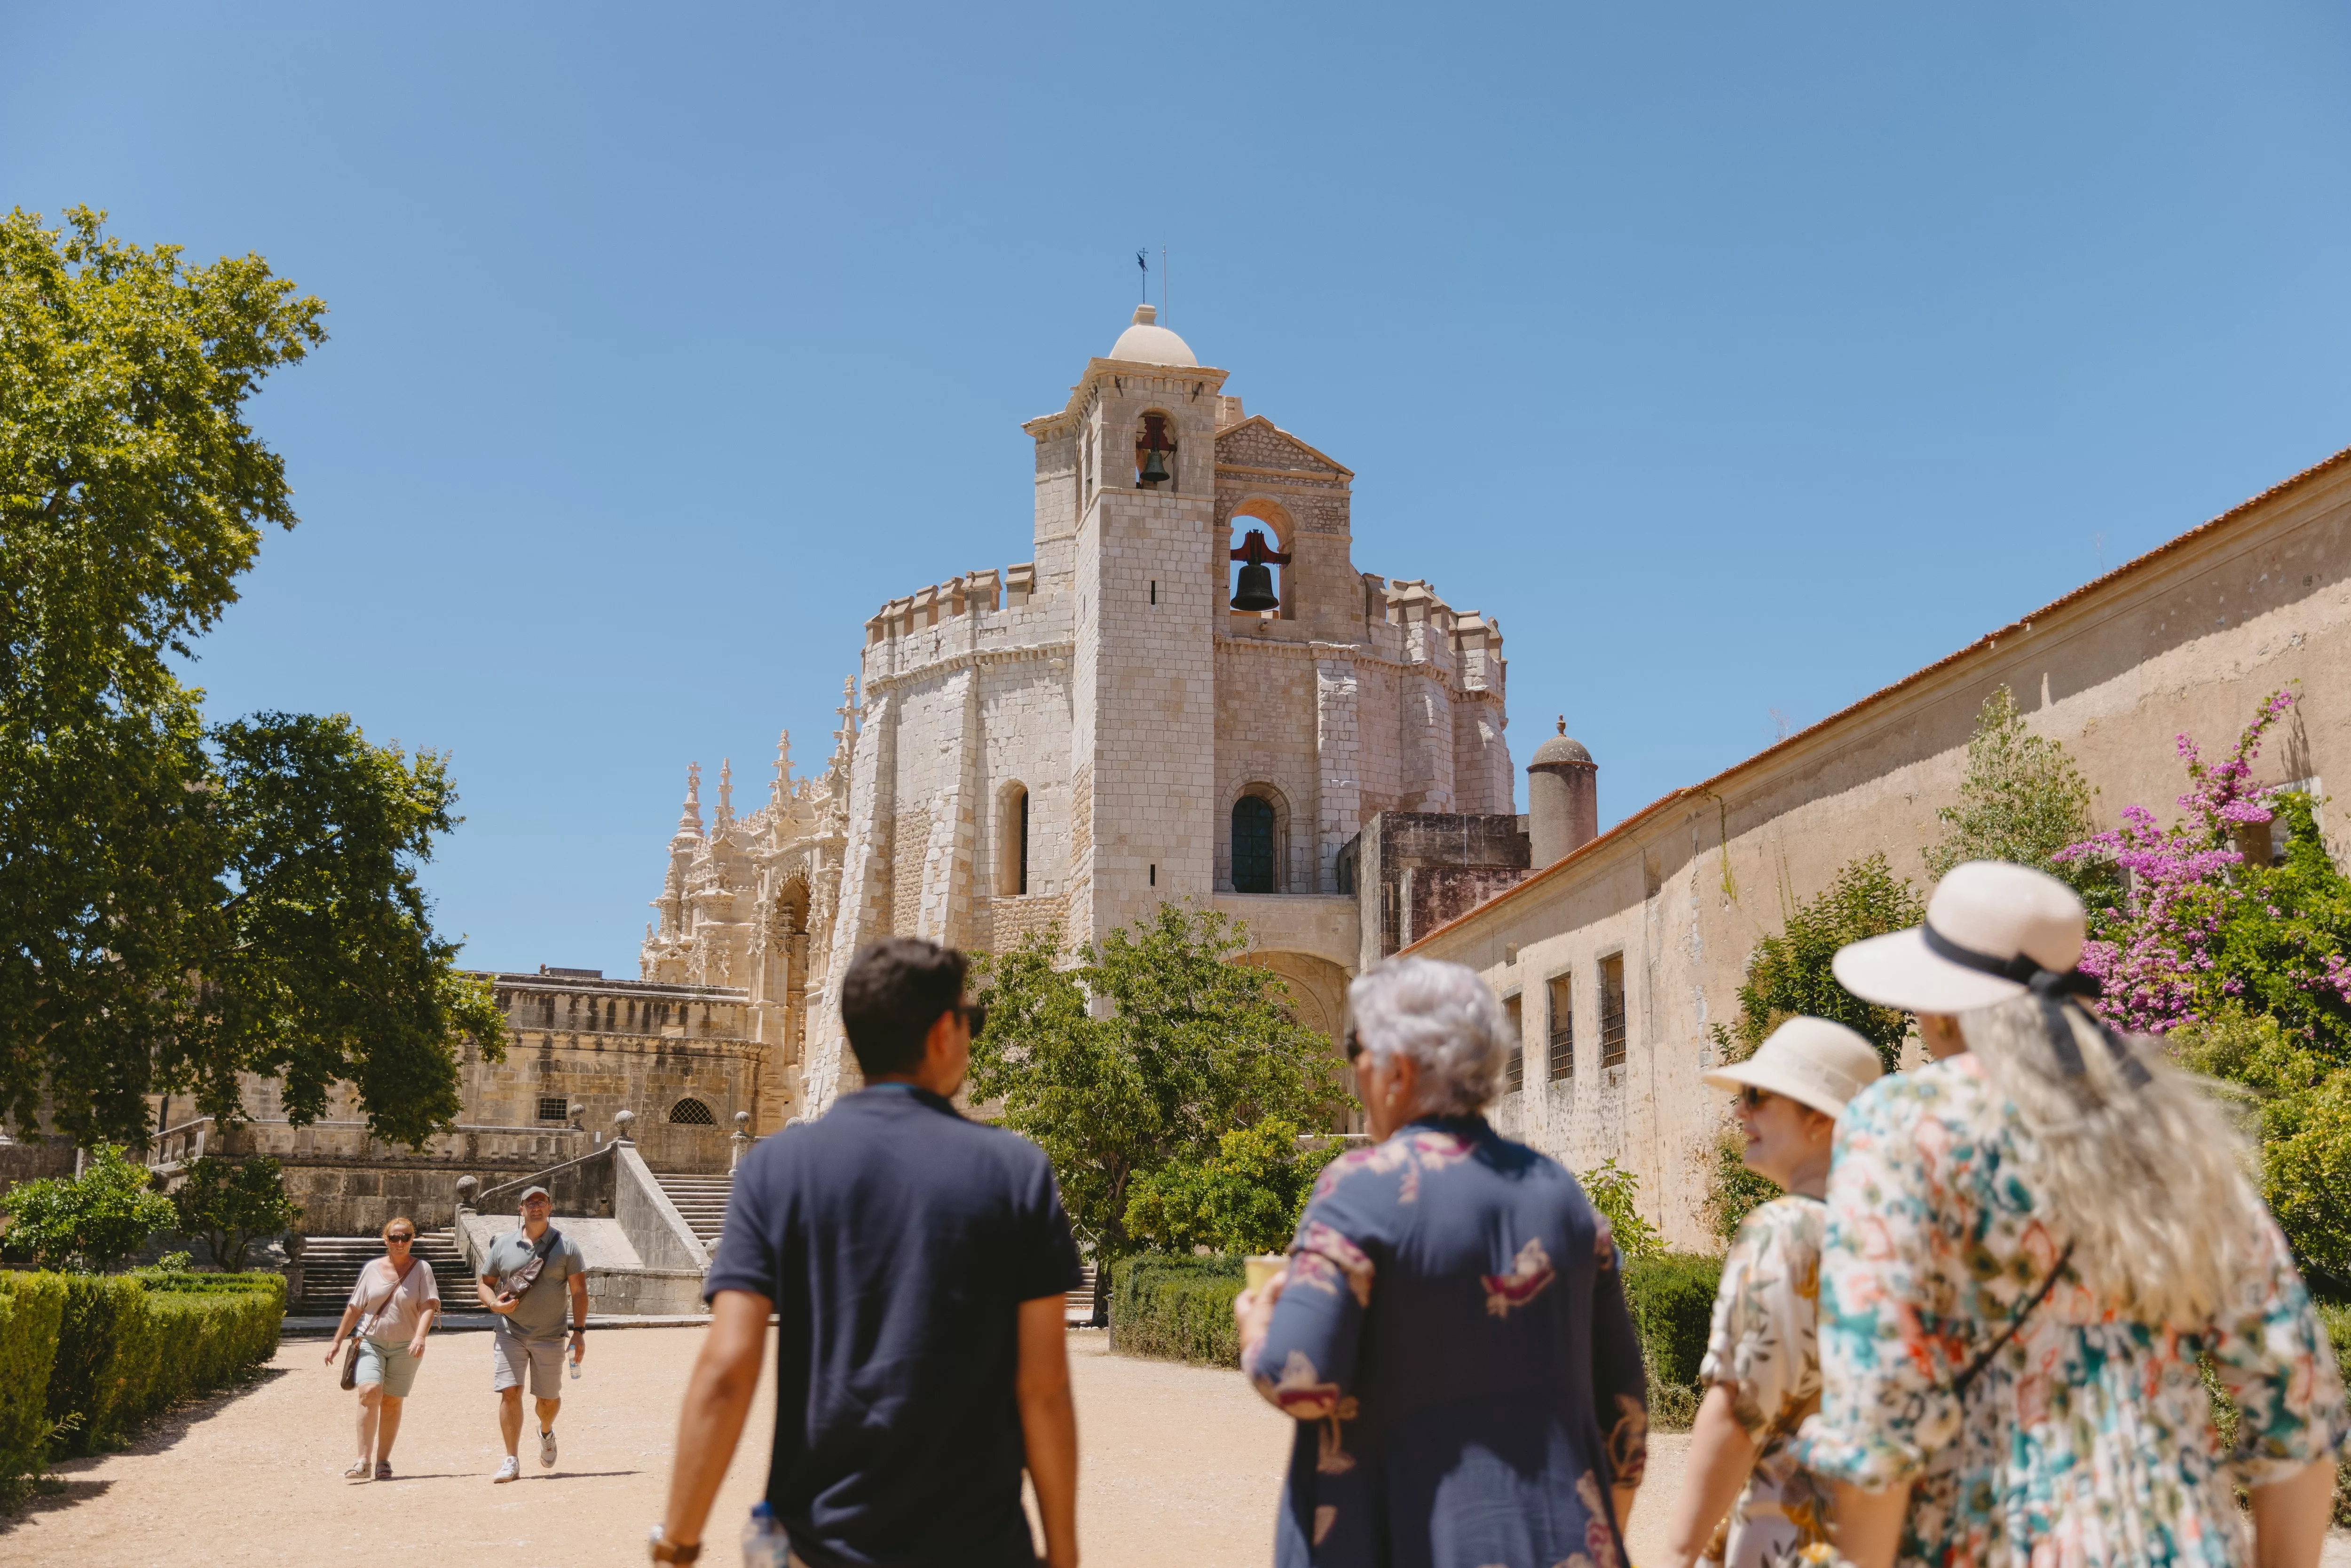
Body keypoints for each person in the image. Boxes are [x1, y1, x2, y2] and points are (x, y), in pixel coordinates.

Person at [1794, 859, 2349, 1568]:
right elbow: (2296, 1398)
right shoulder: (2169, 1129)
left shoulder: (1902, 1123)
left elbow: (1877, 1406)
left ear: (1938, 1006)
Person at [652, 937, 1084, 1568]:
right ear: (943, 1033)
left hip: (820, 1544)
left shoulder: (777, 1169)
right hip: (981, 1544)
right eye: (973, 1020)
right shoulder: (1016, 1170)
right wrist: (1065, 1552)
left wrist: (679, 1543)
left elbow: (728, 1367)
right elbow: (1043, 1385)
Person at [1233, 956, 1650, 1568]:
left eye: (1356, 1047)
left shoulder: (1360, 1186)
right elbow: (1627, 1417)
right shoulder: (1560, 1191)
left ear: (1396, 1070)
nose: (1354, 1068)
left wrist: (1257, 1328)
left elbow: (1299, 1378)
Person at [1658, 1016, 1882, 1568]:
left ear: (1820, 1119)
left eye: (1758, 1096)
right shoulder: (1893, 1235)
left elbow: (1738, 1410)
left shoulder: (1787, 1231)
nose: (1740, 1111)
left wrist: (1674, 1551)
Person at [476, 1182, 588, 1483]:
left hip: (551, 1335)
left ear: (550, 1208)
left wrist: (578, 1332)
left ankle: (546, 1431)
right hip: (509, 1332)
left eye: (542, 1202)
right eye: (530, 1203)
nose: (536, 1206)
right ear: (521, 1209)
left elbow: (579, 1292)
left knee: (547, 1401)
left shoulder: (568, 1247)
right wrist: (493, 1306)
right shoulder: (503, 1245)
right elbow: (484, 1283)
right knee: (509, 1392)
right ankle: (511, 1459)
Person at [323, 1214, 441, 1480]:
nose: (400, 1242)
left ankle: (383, 1461)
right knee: (369, 1391)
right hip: (370, 1342)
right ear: (385, 1239)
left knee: (392, 1402)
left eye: (406, 1237)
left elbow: (428, 1307)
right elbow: (355, 1309)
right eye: (394, 1238)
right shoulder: (372, 1269)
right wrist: (336, 1342)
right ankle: (362, 1460)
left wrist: (420, 1337)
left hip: (406, 1345)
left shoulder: (422, 1269)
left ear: (413, 1239)